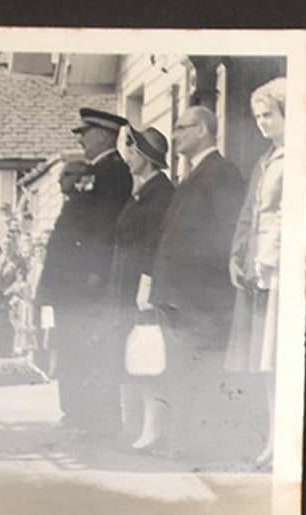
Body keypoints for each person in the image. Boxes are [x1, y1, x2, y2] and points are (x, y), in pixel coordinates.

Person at [147, 106, 245, 460]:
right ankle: (183, 444)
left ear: (203, 129)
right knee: (180, 372)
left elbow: (227, 238)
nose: (174, 136)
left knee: (200, 374)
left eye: (181, 128)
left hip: (202, 300)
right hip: (177, 298)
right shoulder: (191, 176)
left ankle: (199, 448)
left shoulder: (222, 174)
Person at [36, 109, 133, 438]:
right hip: (70, 280)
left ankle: (88, 419)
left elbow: (105, 228)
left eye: (85, 132)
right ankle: (75, 414)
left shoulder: (114, 173)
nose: (79, 137)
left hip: (83, 281)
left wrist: (94, 272)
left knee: (85, 349)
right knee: (71, 347)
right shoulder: (96, 171)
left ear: (104, 135)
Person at [225, 78, 287, 468]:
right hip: (258, 271)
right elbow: (250, 212)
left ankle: (285, 439)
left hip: (281, 269)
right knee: (265, 359)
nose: (262, 123)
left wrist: (271, 254)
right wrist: (237, 255)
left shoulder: (297, 157)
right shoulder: (265, 159)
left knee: (281, 356)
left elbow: (288, 213)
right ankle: (273, 438)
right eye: (257, 117)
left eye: (269, 115)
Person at [105, 124, 175, 451]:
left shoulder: (161, 194)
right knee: (129, 357)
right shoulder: (142, 190)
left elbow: (155, 244)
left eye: (131, 150)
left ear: (145, 156)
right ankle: (133, 427)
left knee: (147, 359)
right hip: (125, 282)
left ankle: (152, 429)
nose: (127, 157)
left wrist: (146, 285)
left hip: (142, 285)